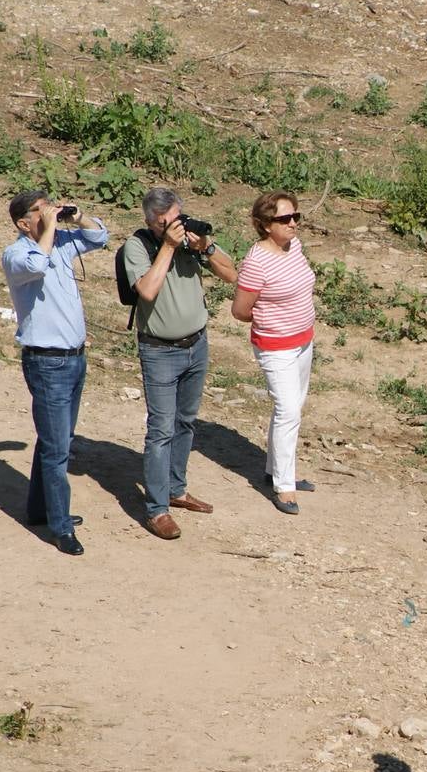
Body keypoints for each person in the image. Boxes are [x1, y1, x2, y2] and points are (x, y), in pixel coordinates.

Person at [121, 188, 237, 540]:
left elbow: (232, 275)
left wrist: (207, 246)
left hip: (196, 345)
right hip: (160, 351)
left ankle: (176, 489)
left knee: (186, 422)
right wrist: (169, 247)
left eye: (176, 217)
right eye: (164, 222)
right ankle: (157, 510)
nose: (173, 226)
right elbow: (149, 290)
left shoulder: (189, 240)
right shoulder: (137, 247)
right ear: (151, 221)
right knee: (161, 430)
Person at [1, 191, 109, 556]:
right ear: (22, 223)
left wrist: (76, 217)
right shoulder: (16, 254)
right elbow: (35, 266)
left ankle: (39, 509)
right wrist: (48, 230)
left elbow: (100, 237)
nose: (48, 212)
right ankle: (60, 527)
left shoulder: (60, 242)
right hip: (47, 362)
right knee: (58, 448)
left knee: (55, 439)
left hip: (75, 359)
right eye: (39, 210)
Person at [230, 191, 317, 516]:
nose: (293, 223)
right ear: (266, 224)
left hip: (303, 340)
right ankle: (284, 486)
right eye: (285, 219)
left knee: (292, 408)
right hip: (275, 346)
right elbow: (240, 310)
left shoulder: (294, 246)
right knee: (288, 410)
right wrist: (272, 319)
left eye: (296, 216)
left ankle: (277, 469)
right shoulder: (257, 260)